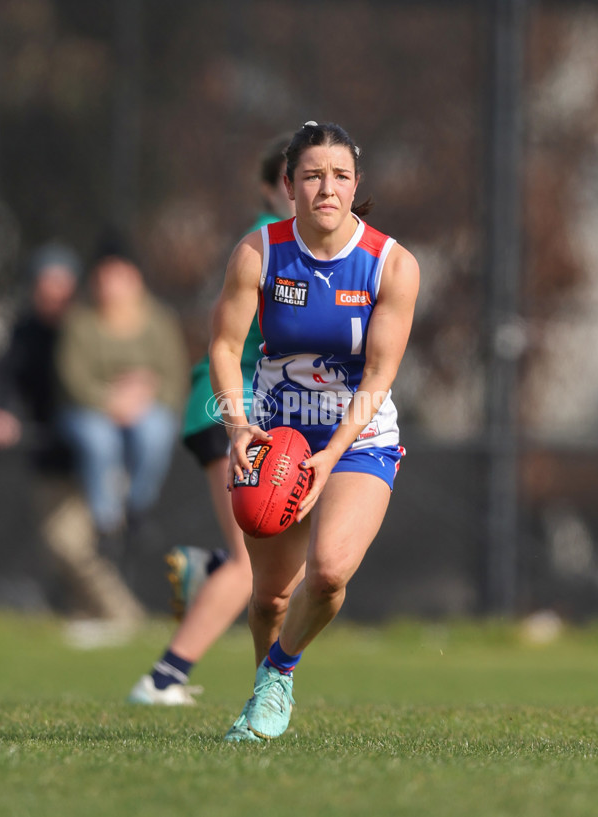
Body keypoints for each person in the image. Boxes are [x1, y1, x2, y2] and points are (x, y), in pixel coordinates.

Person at [208, 120, 419, 742]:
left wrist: (328, 458)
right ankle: (262, 698)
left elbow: (379, 376)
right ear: (289, 184)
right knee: (272, 597)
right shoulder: (259, 251)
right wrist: (237, 423)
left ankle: (278, 676)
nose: (328, 188)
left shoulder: (392, 264)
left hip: (358, 439)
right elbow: (224, 346)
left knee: (328, 573)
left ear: (356, 185)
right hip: (274, 438)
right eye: (313, 176)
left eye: (341, 176)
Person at [128, 134, 295, 705]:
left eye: (329, 178)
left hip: (256, 411)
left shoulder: (310, 247)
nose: (310, 191)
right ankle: (162, 680)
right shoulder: (264, 246)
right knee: (257, 566)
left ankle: (210, 570)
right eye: (294, 179)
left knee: (272, 561)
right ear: (274, 187)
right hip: (228, 409)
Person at [0, 242, 145, 624]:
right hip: (51, 459)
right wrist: (8, 413)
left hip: (99, 459)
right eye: (47, 289)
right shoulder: (26, 334)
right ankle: (91, 615)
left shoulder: (90, 328)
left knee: (75, 545)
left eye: (62, 289)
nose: (55, 299)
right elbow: (10, 382)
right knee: (63, 546)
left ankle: (123, 616)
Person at [56, 236, 189, 563]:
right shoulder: (80, 322)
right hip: (90, 410)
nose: (110, 286)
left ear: (134, 278)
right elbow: (73, 379)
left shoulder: (159, 322)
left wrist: (142, 395)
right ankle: (106, 523)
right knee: (99, 439)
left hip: (144, 408)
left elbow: (174, 378)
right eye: (103, 278)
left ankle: (137, 510)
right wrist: (111, 400)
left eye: (118, 277)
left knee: (155, 431)